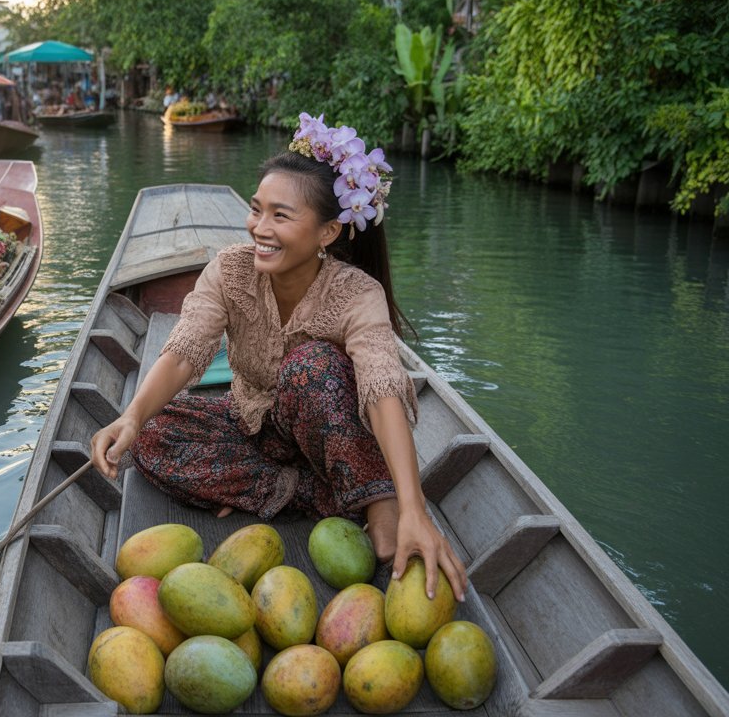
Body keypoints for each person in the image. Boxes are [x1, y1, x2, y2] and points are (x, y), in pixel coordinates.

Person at [89, 112, 467, 602]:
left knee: (312, 366)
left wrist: (415, 508)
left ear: (328, 232)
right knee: (154, 440)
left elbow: (382, 389)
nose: (259, 229)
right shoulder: (230, 269)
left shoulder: (356, 293)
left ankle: (380, 500)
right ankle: (315, 493)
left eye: (281, 216)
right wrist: (132, 417)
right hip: (256, 429)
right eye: (256, 209)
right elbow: (185, 351)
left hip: (339, 435)